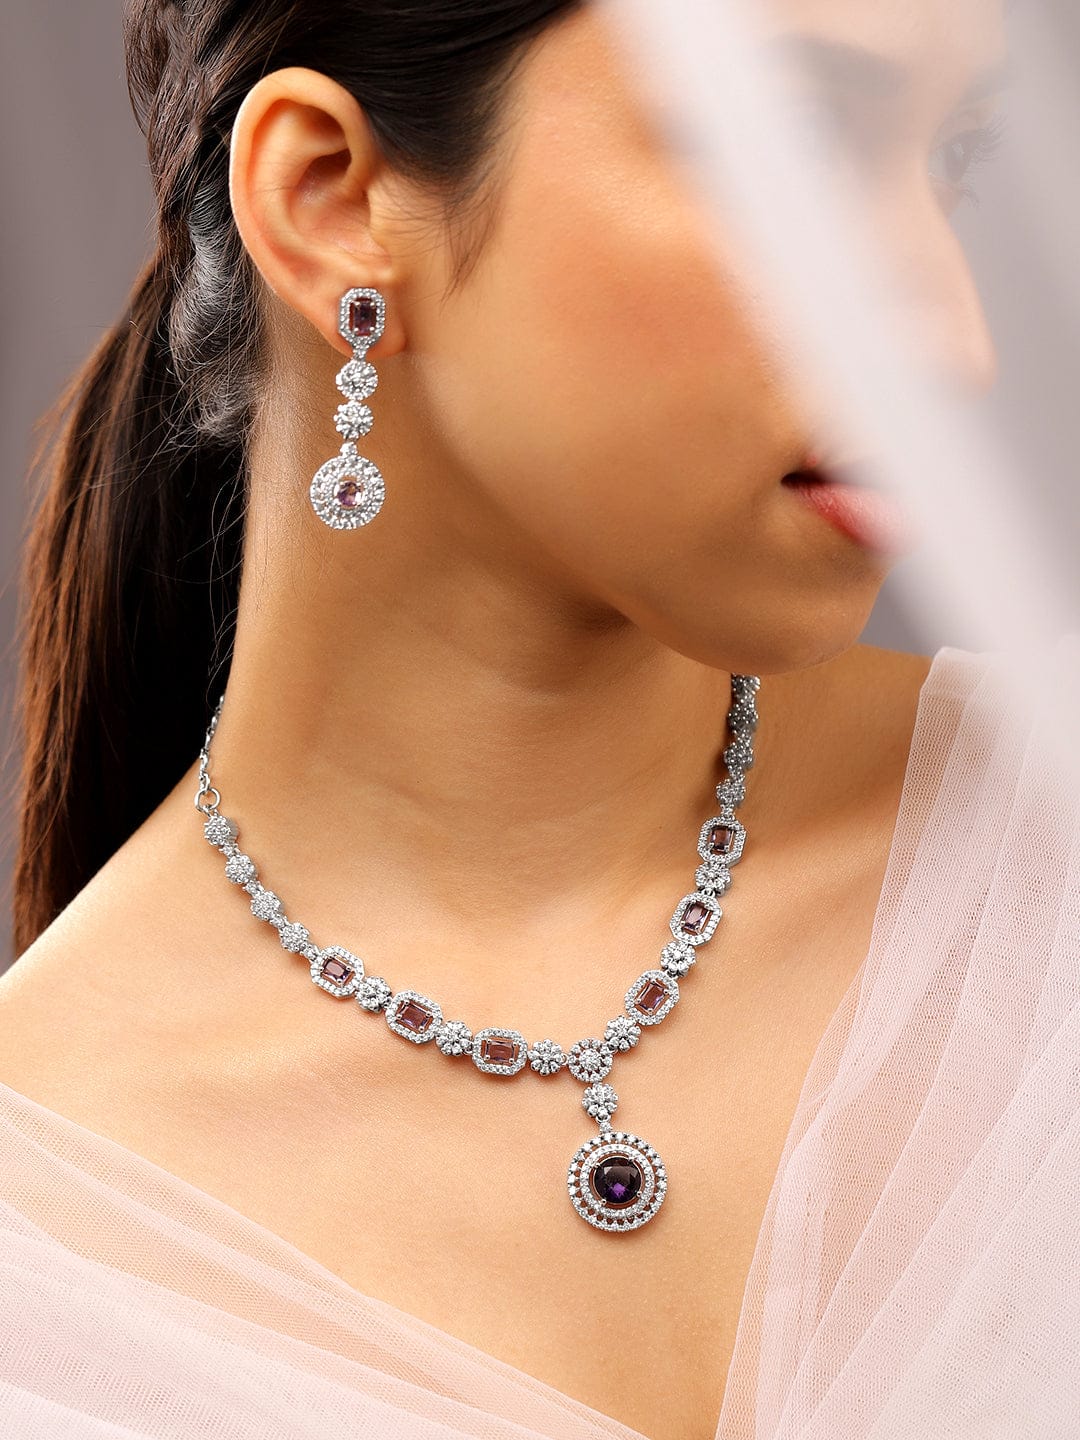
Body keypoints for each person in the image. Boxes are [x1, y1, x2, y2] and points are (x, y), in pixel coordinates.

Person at [3, 1, 1077, 1437]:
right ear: (329, 201)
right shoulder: (42, 1257)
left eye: (954, 164)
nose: (952, 343)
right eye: (796, 142)